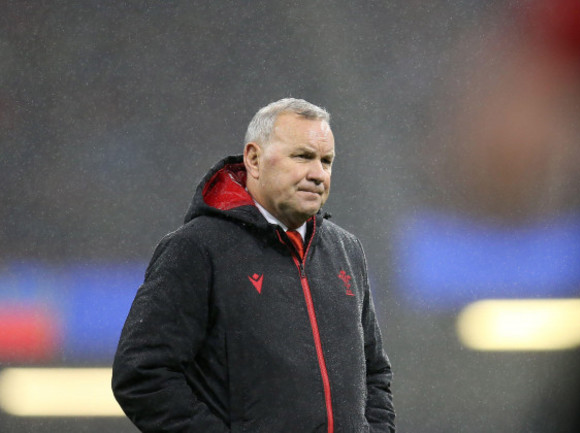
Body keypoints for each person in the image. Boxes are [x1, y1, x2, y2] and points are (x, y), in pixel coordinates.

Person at [112, 98, 395, 433]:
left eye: (326, 161)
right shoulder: (197, 248)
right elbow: (142, 374)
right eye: (302, 156)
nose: (318, 174)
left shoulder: (347, 250)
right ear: (254, 159)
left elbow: (374, 373)